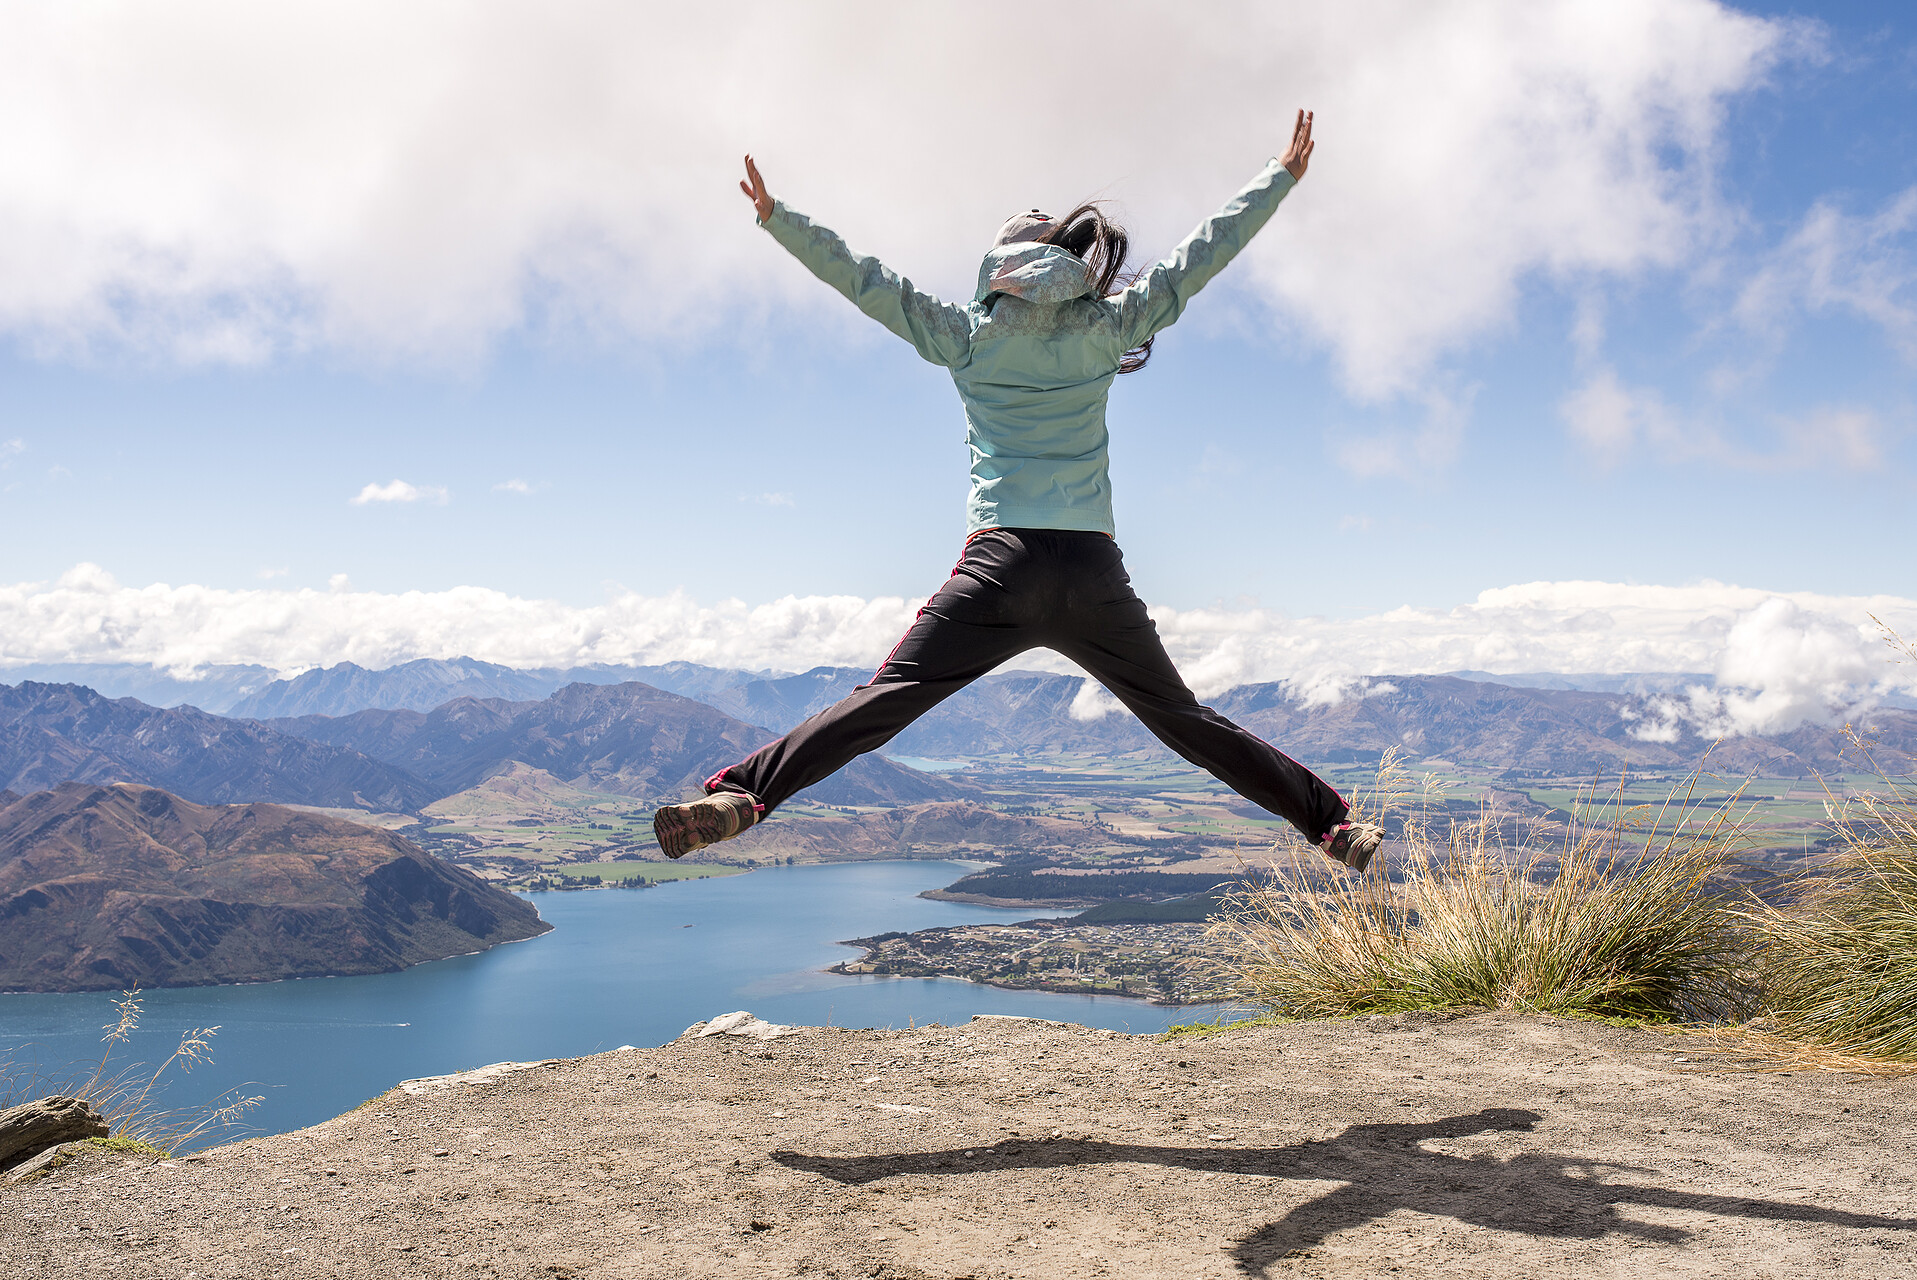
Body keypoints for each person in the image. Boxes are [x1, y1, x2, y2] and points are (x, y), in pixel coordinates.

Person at [654, 110, 1386, 873]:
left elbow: (863, 282)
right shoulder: (1106, 328)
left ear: (994, 263)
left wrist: (780, 219)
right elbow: (1196, 260)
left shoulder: (965, 336)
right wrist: (1276, 180)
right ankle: (1332, 828)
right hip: (1090, 573)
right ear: (1068, 261)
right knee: (1182, 721)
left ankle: (742, 798)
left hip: (998, 567)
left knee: (883, 702)